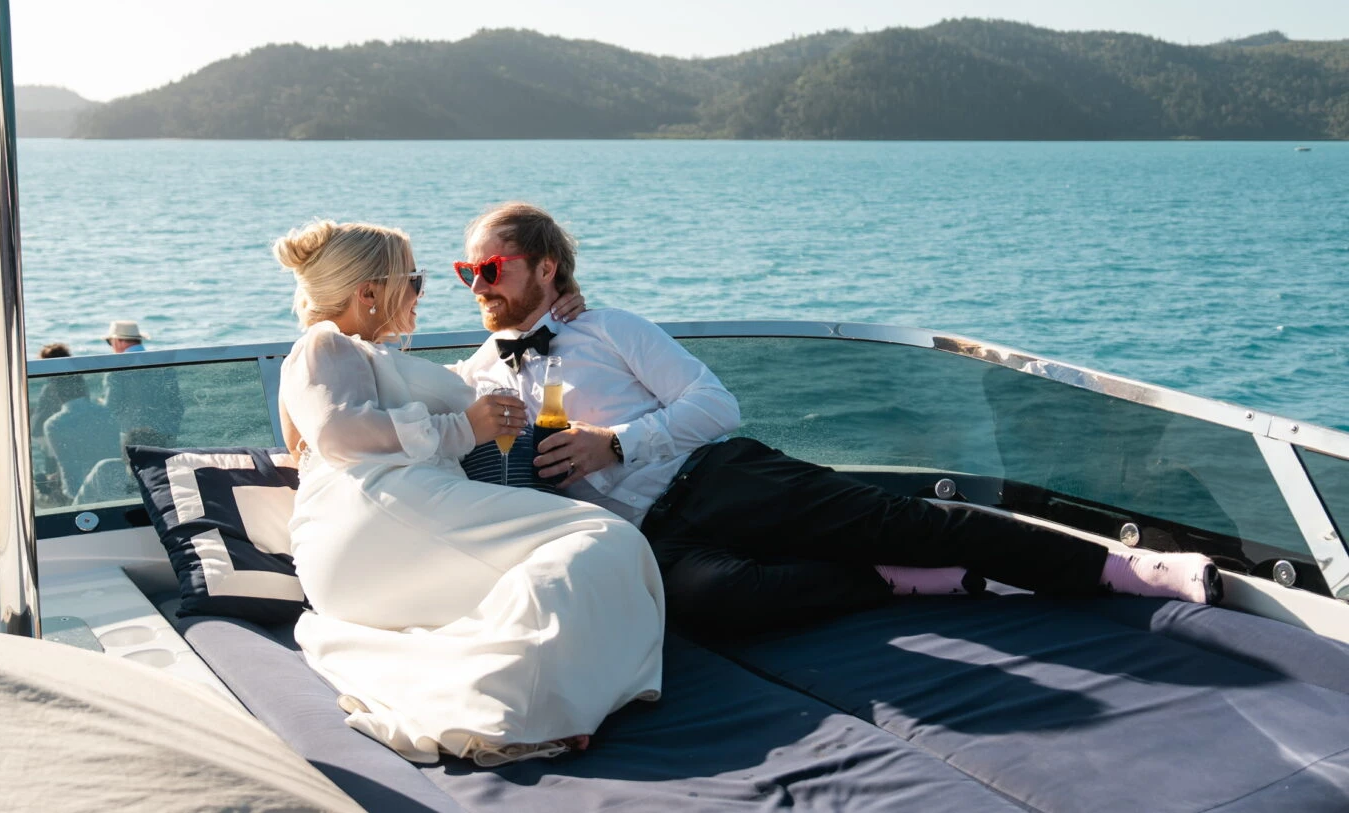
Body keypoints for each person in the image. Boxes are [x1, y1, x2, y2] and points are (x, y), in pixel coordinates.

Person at [451, 203, 1223, 634]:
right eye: (466, 272)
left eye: (490, 268)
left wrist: (614, 441)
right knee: (708, 606)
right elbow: (393, 394)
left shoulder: (608, 327)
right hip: (655, 535)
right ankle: (891, 581)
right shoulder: (478, 376)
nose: (477, 283)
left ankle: (1131, 570)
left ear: (546, 269)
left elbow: (718, 405)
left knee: (912, 519)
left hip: (714, 475)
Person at [273, 218, 664, 766]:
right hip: (387, 509)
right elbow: (340, 435)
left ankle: (532, 688)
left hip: (363, 557)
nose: (421, 295)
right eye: (414, 281)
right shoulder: (324, 344)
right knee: (608, 537)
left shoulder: (376, 360)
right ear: (368, 293)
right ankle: (526, 701)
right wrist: (465, 429)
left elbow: (481, 372)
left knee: (571, 561)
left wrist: (562, 307)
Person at [101, 321, 183, 444]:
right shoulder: (164, 366)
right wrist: (170, 432)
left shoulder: (115, 369)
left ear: (118, 341)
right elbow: (177, 405)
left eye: (109, 342)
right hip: (164, 436)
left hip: (132, 439)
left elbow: (111, 408)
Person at [42, 376, 119, 497]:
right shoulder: (106, 412)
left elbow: (66, 463)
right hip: (116, 484)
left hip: (79, 491)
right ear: (85, 389)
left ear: (57, 395)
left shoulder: (53, 424)